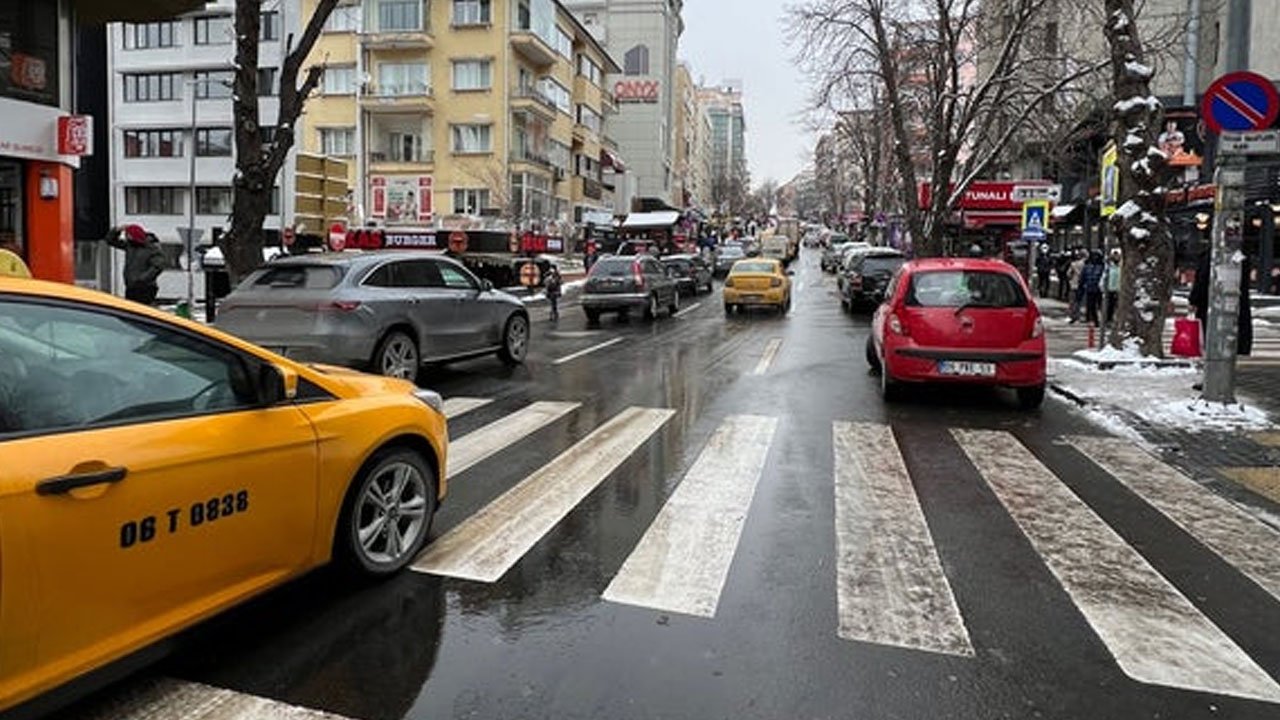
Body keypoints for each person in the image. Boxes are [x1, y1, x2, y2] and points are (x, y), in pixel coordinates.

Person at [1189, 248, 1253, 355]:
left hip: (1211, 302)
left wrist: (1194, 299)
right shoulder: (1241, 255)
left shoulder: (1213, 255)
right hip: (1236, 301)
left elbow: (1202, 280)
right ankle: (1239, 348)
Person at [105, 224, 166, 305]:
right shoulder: (130, 245)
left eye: (128, 235)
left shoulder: (152, 248)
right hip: (131, 286)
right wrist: (117, 230)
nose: (126, 237)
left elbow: (158, 266)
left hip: (146, 288)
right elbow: (110, 241)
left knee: (141, 311)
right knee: (130, 309)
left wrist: (142, 279)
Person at [1080, 250, 1105, 325]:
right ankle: (1092, 319)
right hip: (1090, 288)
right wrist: (1082, 285)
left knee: (1099, 305)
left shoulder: (1102, 267)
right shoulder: (1087, 266)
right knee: (1091, 305)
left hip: (1098, 289)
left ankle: (1100, 320)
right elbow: (1083, 277)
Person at [1102, 249, 1122, 326]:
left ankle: (1117, 320)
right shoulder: (1109, 267)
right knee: (1110, 306)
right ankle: (1109, 320)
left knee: (1118, 306)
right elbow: (1104, 277)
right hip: (1110, 289)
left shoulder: (1121, 267)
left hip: (1119, 289)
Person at [1067, 250, 1087, 322]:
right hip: (1082, 285)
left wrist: (1071, 280)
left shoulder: (1073, 264)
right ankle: (1078, 315)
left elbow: (1068, 274)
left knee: (1072, 301)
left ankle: (1072, 315)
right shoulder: (1085, 264)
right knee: (1080, 301)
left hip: (1074, 284)